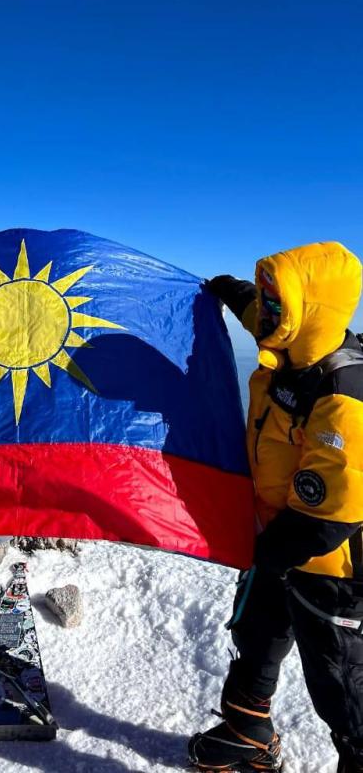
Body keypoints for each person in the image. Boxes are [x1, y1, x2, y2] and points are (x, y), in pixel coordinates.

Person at [189, 241, 363, 773]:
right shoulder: (288, 344)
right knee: (257, 636)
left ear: (309, 310)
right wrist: (228, 287)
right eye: (265, 300)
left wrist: (268, 553)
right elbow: (255, 309)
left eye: (275, 302)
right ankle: (248, 733)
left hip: (328, 567)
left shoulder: (344, 392)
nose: (262, 313)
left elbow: (329, 518)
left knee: (340, 685)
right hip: (276, 542)